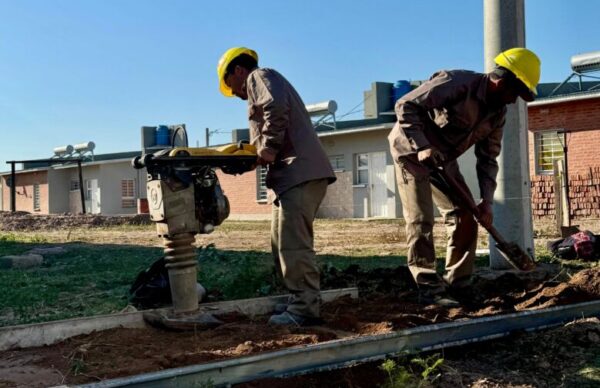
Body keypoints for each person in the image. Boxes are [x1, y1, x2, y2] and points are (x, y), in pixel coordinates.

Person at [388, 47, 541, 306]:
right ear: (501, 82)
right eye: (514, 93)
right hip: (411, 152)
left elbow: (488, 159)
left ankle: (459, 283)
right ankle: (428, 289)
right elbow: (406, 104)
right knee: (421, 219)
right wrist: (422, 145)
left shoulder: (498, 114)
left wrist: (487, 202)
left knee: (465, 215)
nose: (514, 101)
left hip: (443, 160)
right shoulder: (456, 82)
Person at [217, 47, 336, 326]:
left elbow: (275, 109)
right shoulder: (261, 83)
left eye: (230, 85)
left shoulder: (260, 76)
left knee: (294, 245)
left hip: (299, 173)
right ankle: (298, 300)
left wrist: (267, 148)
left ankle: (305, 309)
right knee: (280, 242)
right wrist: (251, 158)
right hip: (289, 177)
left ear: (237, 71)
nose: (233, 92)